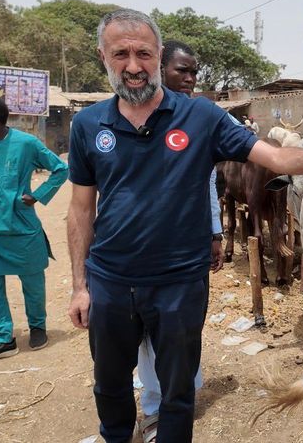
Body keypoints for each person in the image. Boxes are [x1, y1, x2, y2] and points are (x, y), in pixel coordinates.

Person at [66, 9, 303, 443]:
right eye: (121, 54)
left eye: (143, 54)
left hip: (179, 282)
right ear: (103, 56)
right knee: (110, 385)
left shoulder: (200, 117)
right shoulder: (87, 124)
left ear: (157, 55)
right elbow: (81, 209)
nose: (133, 66)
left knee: (177, 391)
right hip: (110, 281)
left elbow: (275, 157)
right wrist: (80, 286)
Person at [134, 40, 225, 441]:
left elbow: (209, 183)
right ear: (159, 69)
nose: (189, 79)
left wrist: (215, 232)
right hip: (143, 244)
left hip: (189, 245)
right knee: (147, 331)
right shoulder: (135, 115)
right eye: (181, 71)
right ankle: (155, 404)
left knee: (185, 326)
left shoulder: (200, 118)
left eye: (194, 73)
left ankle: (181, 393)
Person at [0, 95, 68, 362]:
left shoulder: (26, 143)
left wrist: (37, 195)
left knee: (33, 283)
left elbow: (60, 169)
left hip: (21, 227)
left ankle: (38, 326)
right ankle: (3, 339)